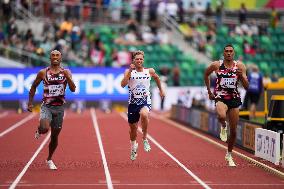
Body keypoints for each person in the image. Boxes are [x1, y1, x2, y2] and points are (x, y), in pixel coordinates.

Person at [27, 50, 76, 170]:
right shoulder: (43, 72)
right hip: (47, 106)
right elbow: (33, 86)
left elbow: (73, 89)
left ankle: (49, 159)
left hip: (59, 108)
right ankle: (39, 129)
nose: (55, 57)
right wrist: (30, 103)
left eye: (57, 55)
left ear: (61, 58)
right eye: (53, 55)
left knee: (54, 137)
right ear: (50, 58)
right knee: (44, 128)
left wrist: (68, 77)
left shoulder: (66, 71)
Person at [204, 44, 249, 167]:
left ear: (233, 53)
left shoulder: (240, 66)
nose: (229, 53)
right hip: (220, 97)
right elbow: (206, 74)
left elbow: (246, 86)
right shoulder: (216, 65)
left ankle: (229, 155)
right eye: (226, 51)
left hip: (234, 98)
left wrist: (242, 77)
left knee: (234, 131)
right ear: (223, 53)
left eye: (231, 51)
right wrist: (209, 91)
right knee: (221, 115)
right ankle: (223, 126)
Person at [121, 50, 165, 161]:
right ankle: (133, 147)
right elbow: (122, 85)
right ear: (133, 61)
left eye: (141, 59)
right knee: (133, 130)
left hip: (145, 101)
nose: (139, 61)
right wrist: (130, 72)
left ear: (143, 60)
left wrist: (161, 90)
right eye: (137, 59)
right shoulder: (128, 71)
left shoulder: (149, 71)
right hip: (133, 103)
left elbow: (157, 78)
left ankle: (145, 138)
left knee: (144, 114)